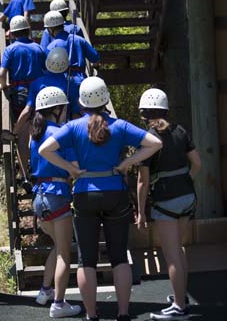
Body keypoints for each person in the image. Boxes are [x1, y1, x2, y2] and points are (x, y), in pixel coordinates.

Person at [38, 76, 162, 321]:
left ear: (81, 101)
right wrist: (127, 162)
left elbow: (45, 150)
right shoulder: (120, 126)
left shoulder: (73, 127)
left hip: (84, 193)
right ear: (106, 98)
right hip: (115, 192)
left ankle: (92, 314)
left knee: (87, 260)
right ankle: (124, 312)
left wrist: (71, 169)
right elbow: (155, 143)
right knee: (118, 255)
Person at [136, 88, 201, 321]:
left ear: (144, 114)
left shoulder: (148, 140)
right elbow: (197, 163)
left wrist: (141, 213)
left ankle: (179, 308)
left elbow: (143, 181)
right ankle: (180, 297)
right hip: (187, 198)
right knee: (179, 249)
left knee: (171, 254)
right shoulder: (181, 131)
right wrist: (184, 182)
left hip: (166, 202)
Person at [30, 86, 81, 318]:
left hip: (39, 197)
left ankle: (45, 291)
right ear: (58, 109)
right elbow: (75, 169)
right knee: (64, 253)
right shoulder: (61, 133)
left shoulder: (35, 136)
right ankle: (59, 304)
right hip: (57, 193)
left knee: (56, 247)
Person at [0, 15, 46, 184]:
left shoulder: (10, 50)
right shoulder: (38, 48)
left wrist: (3, 86)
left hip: (19, 93)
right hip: (39, 94)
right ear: (27, 30)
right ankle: (40, 171)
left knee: (22, 137)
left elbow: (2, 74)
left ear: (13, 33)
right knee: (39, 133)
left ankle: (25, 176)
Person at [44, 10, 100, 118]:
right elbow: (96, 58)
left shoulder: (51, 46)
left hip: (61, 82)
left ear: (51, 29)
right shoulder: (79, 40)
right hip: (81, 81)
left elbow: (46, 68)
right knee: (83, 114)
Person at [12, 47, 69, 137]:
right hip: (62, 131)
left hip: (39, 130)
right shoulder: (70, 85)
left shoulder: (37, 83)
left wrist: (15, 132)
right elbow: (75, 114)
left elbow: (27, 111)